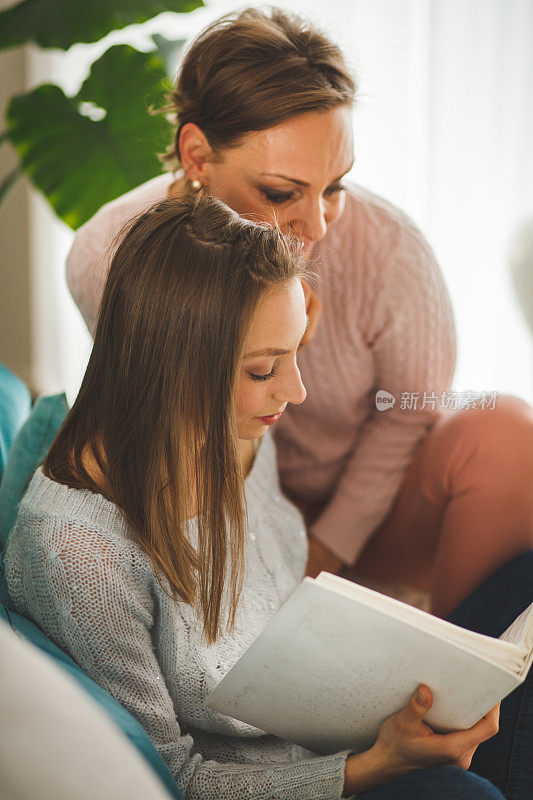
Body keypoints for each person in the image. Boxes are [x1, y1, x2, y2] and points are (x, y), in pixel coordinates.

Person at [5, 194, 508, 800]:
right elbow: (174, 780)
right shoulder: (79, 551)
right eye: (265, 370)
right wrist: (374, 767)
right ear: (172, 368)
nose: (295, 392)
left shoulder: (228, 430)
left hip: (330, 716)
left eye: (297, 351)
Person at [65, 7, 533, 621]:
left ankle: (454, 681)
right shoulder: (109, 255)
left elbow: (405, 417)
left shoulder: (391, 254)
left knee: (506, 433)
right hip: (207, 497)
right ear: (198, 156)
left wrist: (322, 552)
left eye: (335, 186)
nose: (315, 228)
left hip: (369, 507)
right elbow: (161, 431)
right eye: (281, 194)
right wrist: (262, 339)